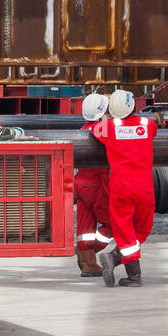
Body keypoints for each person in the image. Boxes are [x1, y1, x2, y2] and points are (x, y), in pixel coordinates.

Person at [89, 89, 157, 288]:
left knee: (125, 230)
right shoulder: (148, 124)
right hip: (145, 187)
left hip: (121, 187)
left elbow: (94, 130)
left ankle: (125, 267)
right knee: (141, 230)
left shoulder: (108, 126)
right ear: (133, 105)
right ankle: (117, 258)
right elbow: (153, 131)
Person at [75, 93, 114, 277]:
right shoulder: (102, 129)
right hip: (97, 183)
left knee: (85, 226)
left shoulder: (82, 129)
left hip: (81, 182)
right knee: (112, 223)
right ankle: (92, 252)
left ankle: (87, 262)